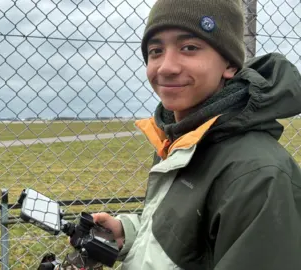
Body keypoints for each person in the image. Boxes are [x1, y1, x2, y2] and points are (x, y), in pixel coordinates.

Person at [91, 0, 301, 269]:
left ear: (229, 64)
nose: (166, 67)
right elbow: (187, 235)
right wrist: (127, 232)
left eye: (189, 48)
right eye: (156, 50)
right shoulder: (183, 141)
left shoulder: (259, 176)